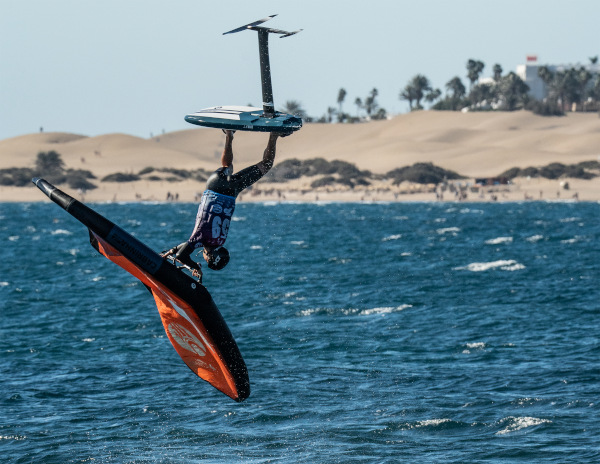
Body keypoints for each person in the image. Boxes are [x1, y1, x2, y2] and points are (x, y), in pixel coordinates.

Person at [162, 129, 285, 277]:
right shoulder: (201, 238)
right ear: (211, 257)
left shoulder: (218, 240)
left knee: (257, 165)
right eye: (207, 261)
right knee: (229, 168)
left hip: (231, 190)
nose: (204, 258)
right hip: (214, 186)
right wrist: (196, 267)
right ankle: (229, 135)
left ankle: (268, 135)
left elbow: (189, 246)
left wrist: (172, 250)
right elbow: (182, 256)